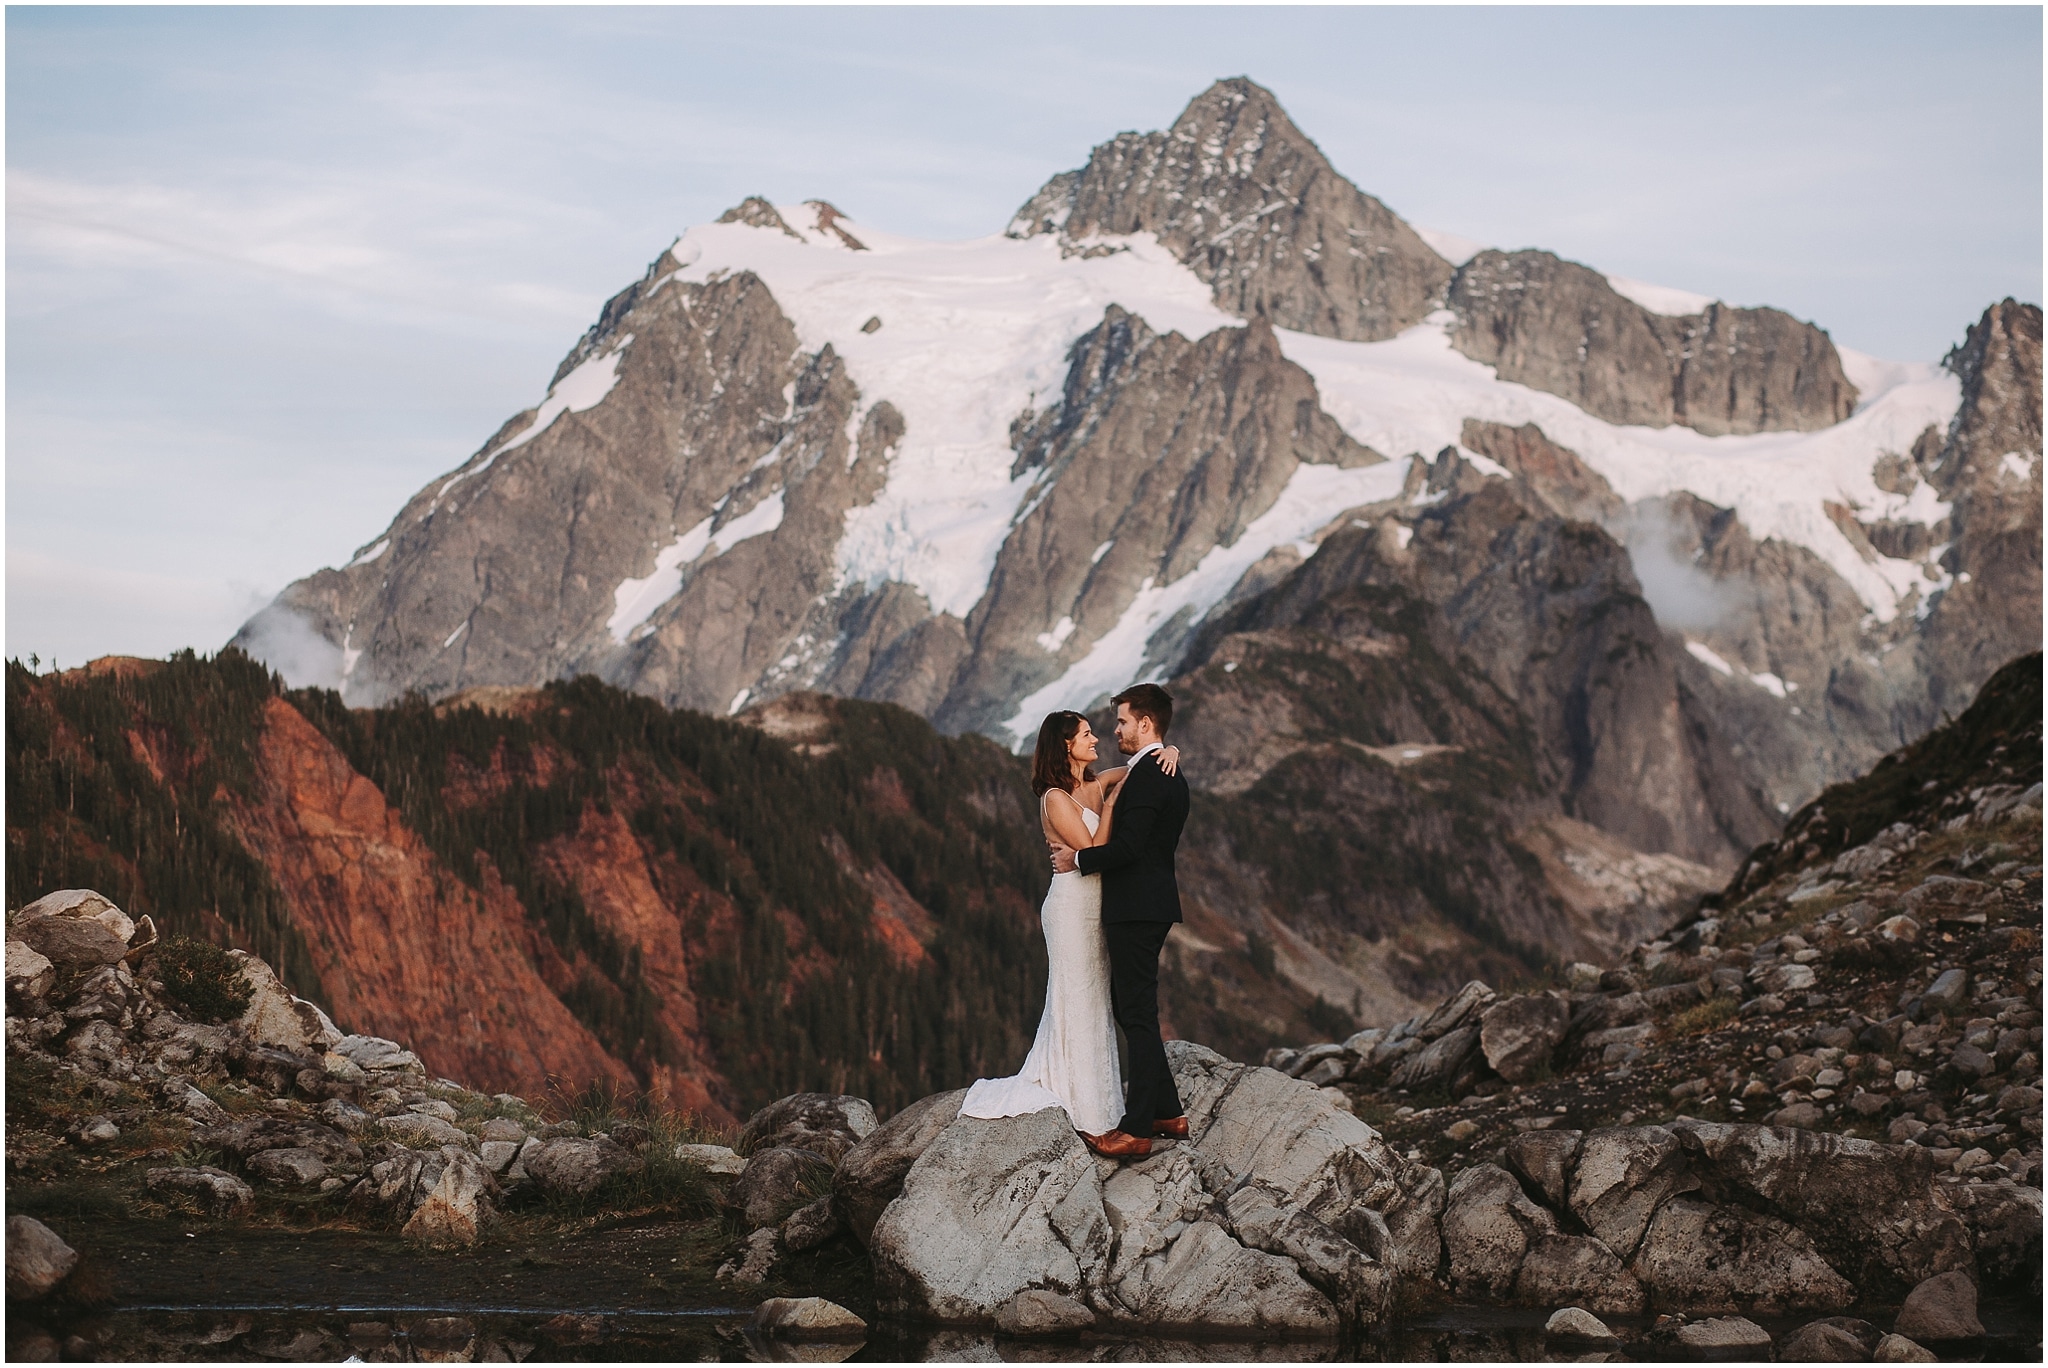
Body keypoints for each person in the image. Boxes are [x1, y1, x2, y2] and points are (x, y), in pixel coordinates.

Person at [959, 709, 1178, 1140]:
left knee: (1096, 999)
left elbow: (1138, 767)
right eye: (1086, 734)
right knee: (1075, 998)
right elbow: (1092, 850)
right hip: (1071, 909)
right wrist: (1112, 804)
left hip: (1099, 908)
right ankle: (1079, 1105)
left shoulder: (1095, 783)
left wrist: (1170, 749)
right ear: (1065, 745)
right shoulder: (1055, 798)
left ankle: (1102, 1103)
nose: (1097, 739)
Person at [1050, 683, 1190, 1160]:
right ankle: (1167, 1111)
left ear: (1145, 724)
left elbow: (1129, 849)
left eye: (1123, 722)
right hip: (1145, 905)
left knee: (1136, 1013)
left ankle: (1135, 1130)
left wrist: (1078, 861)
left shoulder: (1151, 775)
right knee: (1132, 1008)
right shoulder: (1160, 769)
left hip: (1136, 908)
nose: (1116, 730)